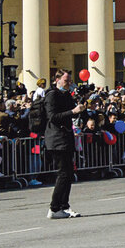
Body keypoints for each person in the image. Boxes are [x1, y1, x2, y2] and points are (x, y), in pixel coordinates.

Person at [44, 69, 84, 219]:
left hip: (66, 137)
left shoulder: (66, 95)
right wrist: (73, 111)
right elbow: (52, 117)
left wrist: (79, 109)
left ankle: (63, 206)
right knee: (63, 173)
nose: (69, 84)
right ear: (57, 80)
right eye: (66, 81)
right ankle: (55, 208)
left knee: (68, 173)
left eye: (70, 81)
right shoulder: (52, 95)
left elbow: (72, 112)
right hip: (56, 138)